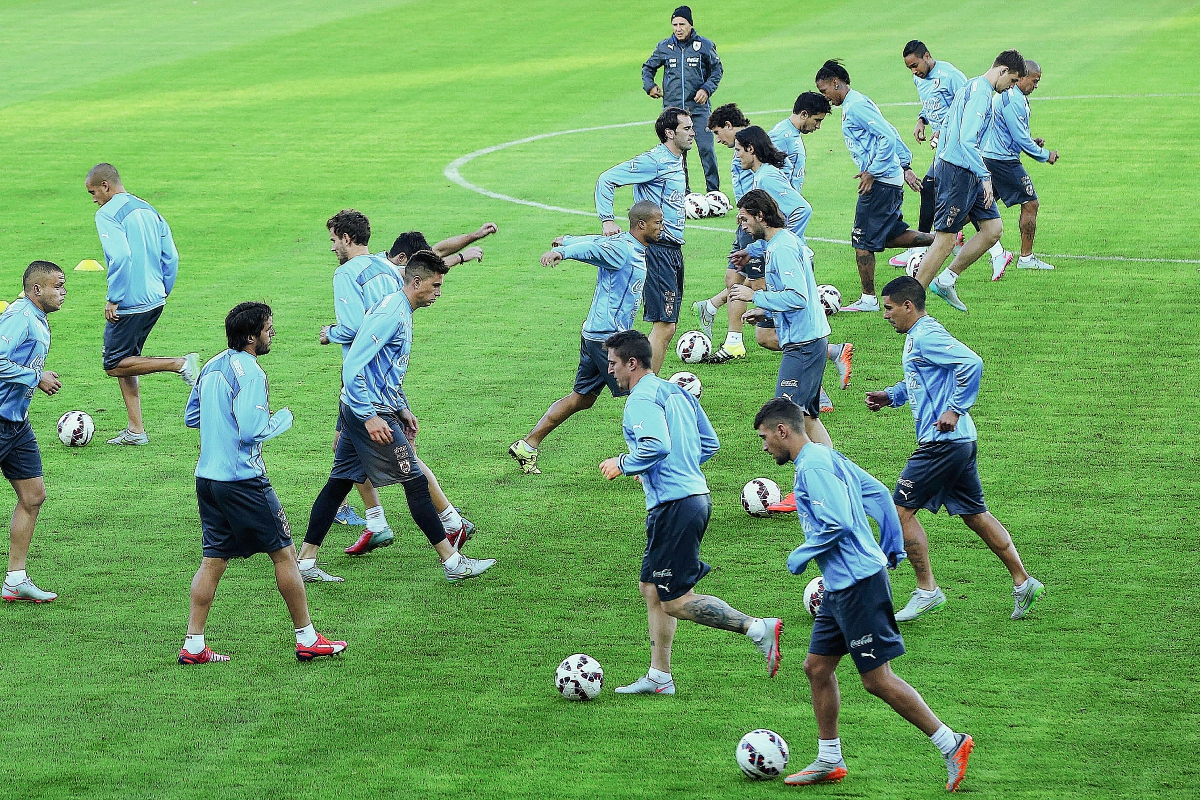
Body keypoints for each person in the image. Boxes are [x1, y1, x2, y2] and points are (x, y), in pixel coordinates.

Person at [752, 397, 974, 791]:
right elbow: (874, 492)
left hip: (858, 585)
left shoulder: (813, 468)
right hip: (841, 586)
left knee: (877, 680)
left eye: (766, 437)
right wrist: (892, 543)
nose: (765, 446)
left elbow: (836, 521)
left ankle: (950, 742)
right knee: (817, 668)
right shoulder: (824, 455)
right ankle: (829, 759)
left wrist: (802, 554)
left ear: (783, 431)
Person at [600, 330, 782, 695]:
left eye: (613, 364)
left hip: (675, 505)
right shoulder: (677, 391)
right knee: (651, 588)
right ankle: (659, 677)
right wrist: (680, 467)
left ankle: (758, 627)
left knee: (676, 600)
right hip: (691, 498)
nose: (611, 372)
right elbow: (709, 442)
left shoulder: (639, 400)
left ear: (631, 363)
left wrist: (624, 463)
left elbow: (655, 445)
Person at [304, 251, 496, 584]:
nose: (438, 292)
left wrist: (401, 406)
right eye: (435, 286)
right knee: (416, 483)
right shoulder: (391, 314)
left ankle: (304, 562)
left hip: (375, 407)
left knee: (338, 484)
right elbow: (353, 366)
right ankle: (453, 563)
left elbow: (385, 369)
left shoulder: (401, 309)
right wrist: (368, 417)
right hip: (371, 413)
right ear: (416, 281)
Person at [867, 276, 1044, 621]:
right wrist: (891, 396)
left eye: (888, 308)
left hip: (942, 443)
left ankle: (927, 591)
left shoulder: (928, 335)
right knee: (975, 514)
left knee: (899, 513)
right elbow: (924, 379)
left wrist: (955, 408)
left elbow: (971, 363)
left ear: (908, 306)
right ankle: (1024, 583)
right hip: (959, 442)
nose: (885, 315)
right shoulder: (919, 335)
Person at [180, 302, 347, 664]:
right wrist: (282, 419)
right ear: (252, 335)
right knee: (284, 554)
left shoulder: (212, 365)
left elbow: (192, 417)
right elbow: (253, 430)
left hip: (207, 479)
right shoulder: (251, 373)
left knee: (213, 561)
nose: (273, 333)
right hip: (243, 480)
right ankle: (307, 638)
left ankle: (193, 644)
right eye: (269, 328)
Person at [509, 202, 660, 475]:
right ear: (641, 225)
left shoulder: (624, 245)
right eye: (657, 223)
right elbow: (593, 249)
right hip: (608, 338)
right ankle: (642, 465)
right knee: (639, 392)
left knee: (582, 398)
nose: (662, 227)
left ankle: (528, 445)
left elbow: (594, 240)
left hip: (596, 334)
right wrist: (563, 252)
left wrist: (567, 240)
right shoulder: (623, 250)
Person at [85, 163, 199, 444]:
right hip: (155, 298)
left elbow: (121, 257)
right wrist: (163, 290)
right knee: (128, 361)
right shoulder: (148, 209)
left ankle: (180, 363)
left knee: (114, 364)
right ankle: (136, 430)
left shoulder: (107, 214)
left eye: (93, 192)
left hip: (130, 302)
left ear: (105, 186)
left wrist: (114, 298)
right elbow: (171, 256)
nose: (93, 199)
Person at [912, 51, 1027, 313]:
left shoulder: (971, 84)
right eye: (1012, 81)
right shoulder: (982, 94)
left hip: (968, 169)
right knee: (945, 240)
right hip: (957, 172)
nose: (1010, 88)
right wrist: (986, 176)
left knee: (992, 229)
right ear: (1002, 71)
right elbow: (966, 140)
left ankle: (946, 280)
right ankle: (911, 304)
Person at [814, 61, 933, 313]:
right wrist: (905, 166)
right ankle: (942, 240)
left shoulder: (856, 106)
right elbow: (889, 130)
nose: (826, 98)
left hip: (879, 183)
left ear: (837, 82)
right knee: (888, 235)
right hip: (888, 180)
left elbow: (886, 136)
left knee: (861, 241)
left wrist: (873, 171)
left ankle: (868, 298)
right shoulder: (857, 102)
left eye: (825, 91)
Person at [895, 41, 1012, 278]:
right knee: (942, 195)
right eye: (909, 68)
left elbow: (965, 105)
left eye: (915, 65)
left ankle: (923, 247)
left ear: (927, 56)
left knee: (931, 189)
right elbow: (929, 104)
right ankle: (992, 251)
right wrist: (922, 120)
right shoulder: (919, 78)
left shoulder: (952, 76)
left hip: (956, 150)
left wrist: (945, 130)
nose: (914, 71)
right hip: (949, 149)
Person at [728, 190, 833, 448]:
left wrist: (754, 296)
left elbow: (798, 297)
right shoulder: (780, 243)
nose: (742, 226)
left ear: (760, 216)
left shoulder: (783, 248)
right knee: (807, 418)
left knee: (784, 418)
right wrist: (766, 312)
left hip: (803, 344)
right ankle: (831, 475)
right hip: (807, 338)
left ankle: (813, 480)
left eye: (744, 219)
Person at [596, 107, 693, 373]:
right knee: (665, 325)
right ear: (669, 133)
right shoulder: (654, 161)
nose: (693, 133)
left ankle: (643, 384)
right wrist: (608, 219)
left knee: (668, 325)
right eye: (686, 128)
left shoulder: (676, 160)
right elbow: (607, 179)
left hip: (673, 249)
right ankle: (643, 387)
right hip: (657, 249)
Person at [0, 262, 65, 604]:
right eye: (59, 285)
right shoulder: (19, 318)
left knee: (33, 495)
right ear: (37, 289)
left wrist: (36, 372)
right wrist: (34, 377)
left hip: (16, 423)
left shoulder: (35, 316)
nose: (64, 292)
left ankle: (15, 580)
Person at [983, 60, 1059, 270]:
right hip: (1003, 161)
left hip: (994, 157)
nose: (1035, 86)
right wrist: (1045, 155)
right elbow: (1019, 137)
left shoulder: (1014, 97)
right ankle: (1026, 258)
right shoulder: (1012, 99)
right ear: (1023, 77)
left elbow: (1013, 133)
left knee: (982, 204)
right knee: (1031, 203)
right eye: (1034, 81)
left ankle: (940, 239)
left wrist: (1030, 142)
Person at [641, 6, 723, 193]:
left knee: (706, 149)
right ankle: (683, 194)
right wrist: (650, 86)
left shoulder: (704, 46)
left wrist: (706, 89)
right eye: (674, 24)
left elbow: (717, 70)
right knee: (678, 153)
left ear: (690, 25)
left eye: (682, 24)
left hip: (699, 110)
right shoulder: (664, 47)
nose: (678, 28)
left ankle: (714, 192)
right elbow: (648, 68)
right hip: (673, 113)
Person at [382, 223, 499, 271]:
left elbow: (438, 250)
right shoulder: (388, 272)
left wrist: (476, 235)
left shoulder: (385, 258)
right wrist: (460, 257)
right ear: (401, 258)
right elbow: (426, 269)